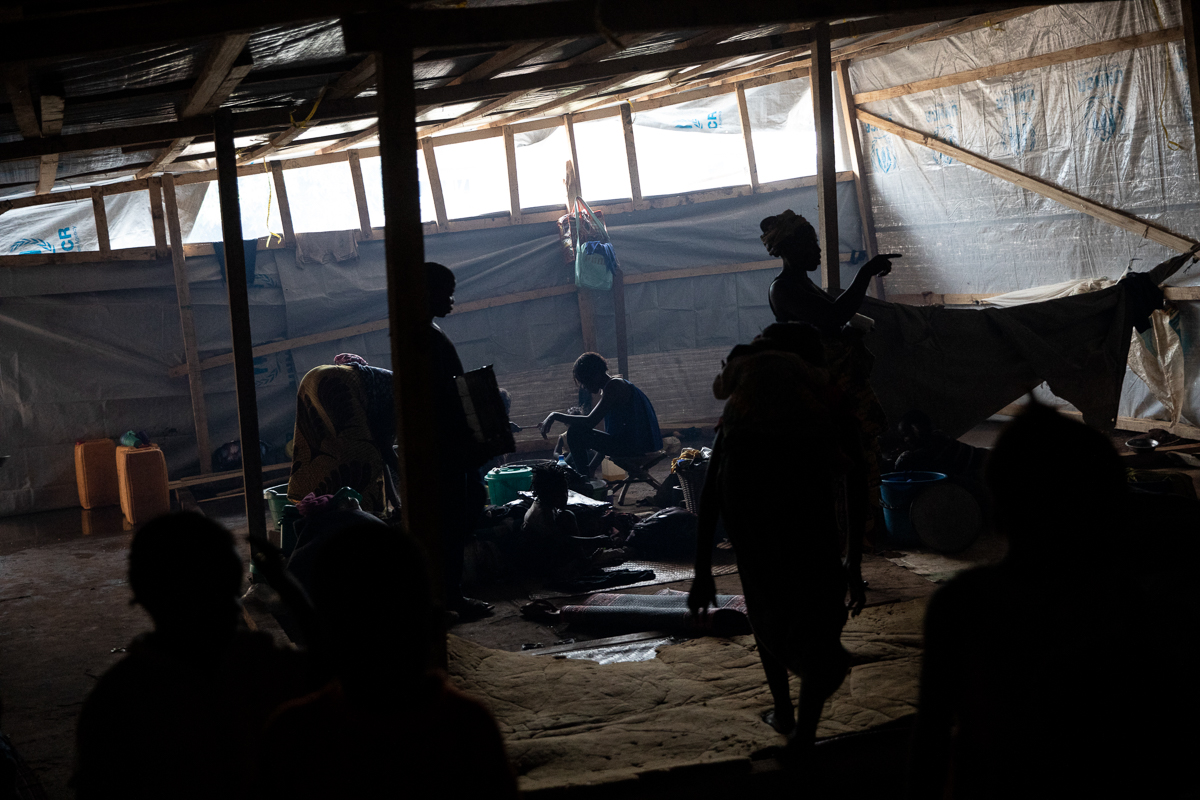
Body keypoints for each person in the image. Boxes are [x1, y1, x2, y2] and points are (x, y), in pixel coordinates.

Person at [908, 403, 1187, 798]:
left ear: (998, 510)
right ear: (1107, 513)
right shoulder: (1121, 602)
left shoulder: (962, 604)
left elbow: (931, 739)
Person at [689, 323, 859, 759]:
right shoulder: (826, 398)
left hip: (753, 522)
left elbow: (712, 488)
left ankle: (785, 712)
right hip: (811, 525)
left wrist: (703, 571)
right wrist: (854, 561)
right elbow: (857, 481)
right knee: (818, 619)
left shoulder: (744, 401)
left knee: (766, 613)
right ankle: (806, 729)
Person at [257, 523, 518, 800]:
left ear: (323, 640)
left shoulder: (294, 736)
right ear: (435, 625)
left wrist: (287, 587)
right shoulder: (468, 730)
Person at [74, 513, 320, 800]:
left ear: (142, 596)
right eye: (219, 591)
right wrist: (290, 590)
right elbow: (332, 668)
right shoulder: (257, 666)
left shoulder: (115, 698)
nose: (234, 603)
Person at [762, 210, 897, 554]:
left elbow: (830, 324)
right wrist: (865, 273)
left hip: (836, 388)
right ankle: (845, 541)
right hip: (824, 395)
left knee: (859, 460)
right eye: (810, 243)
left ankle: (861, 536)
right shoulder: (784, 289)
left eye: (817, 242)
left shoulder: (802, 284)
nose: (818, 250)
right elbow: (832, 317)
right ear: (790, 249)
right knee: (842, 465)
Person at [425, 261, 494, 622]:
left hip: (449, 443)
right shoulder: (425, 337)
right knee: (453, 521)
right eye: (446, 291)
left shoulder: (427, 333)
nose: (452, 298)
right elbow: (445, 396)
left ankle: (450, 594)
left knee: (463, 510)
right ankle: (450, 597)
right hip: (446, 446)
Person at [286, 354, 399, 515]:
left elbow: (382, 451)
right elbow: (384, 450)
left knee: (321, 448)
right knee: (362, 458)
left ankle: (322, 509)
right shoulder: (403, 400)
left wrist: (395, 502)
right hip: (339, 383)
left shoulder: (390, 384)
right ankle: (365, 515)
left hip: (315, 377)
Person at [538, 353, 662, 479]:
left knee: (575, 433)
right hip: (635, 443)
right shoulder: (613, 387)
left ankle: (582, 480)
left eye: (585, 381)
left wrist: (555, 415)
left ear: (596, 375)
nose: (584, 387)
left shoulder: (614, 386)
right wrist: (592, 467)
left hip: (636, 446)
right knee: (579, 432)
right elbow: (609, 437)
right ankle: (585, 476)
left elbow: (590, 421)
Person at [521, 463, 625, 576]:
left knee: (567, 515)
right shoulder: (543, 514)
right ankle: (581, 563)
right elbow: (561, 540)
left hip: (546, 549)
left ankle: (583, 560)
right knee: (568, 517)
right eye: (562, 492)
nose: (566, 496)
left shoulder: (545, 504)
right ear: (551, 494)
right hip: (540, 562)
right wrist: (595, 540)